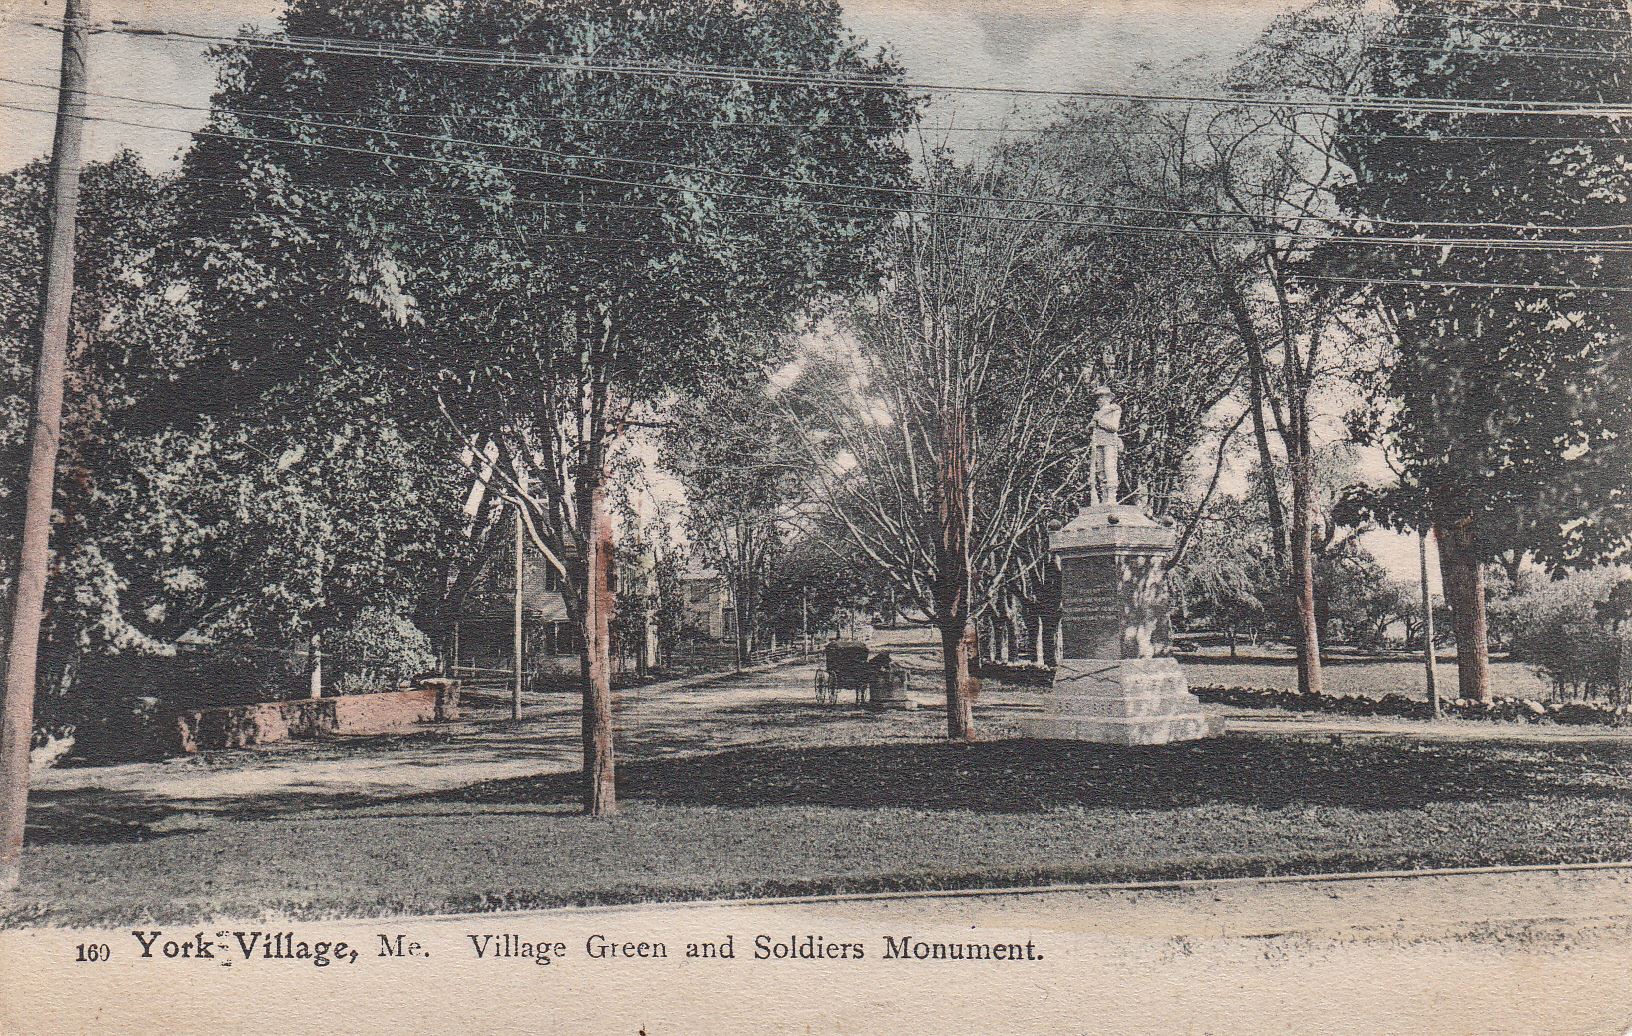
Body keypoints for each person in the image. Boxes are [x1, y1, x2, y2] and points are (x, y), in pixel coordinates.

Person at [1089, 386, 1122, 506]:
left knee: (1110, 468)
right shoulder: (1097, 413)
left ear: (1107, 398)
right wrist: (1091, 425)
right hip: (1098, 443)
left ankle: (1112, 498)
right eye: (1097, 397)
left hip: (1110, 442)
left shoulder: (1114, 410)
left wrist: (1099, 421)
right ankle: (1104, 497)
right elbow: (1090, 429)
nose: (1098, 400)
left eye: (1100, 397)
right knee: (1100, 470)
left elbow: (1114, 427)